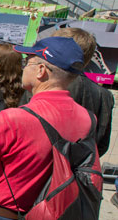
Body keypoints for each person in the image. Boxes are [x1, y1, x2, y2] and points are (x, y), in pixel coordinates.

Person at [0, 37, 94, 219]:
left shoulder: (14, 118)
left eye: (27, 61)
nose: (23, 67)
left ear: (40, 70)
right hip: (50, 212)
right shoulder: (87, 119)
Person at [21, 27, 114, 157]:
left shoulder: (43, 84)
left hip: (37, 164)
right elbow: (102, 144)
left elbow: (21, 129)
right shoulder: (104, 96)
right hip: (77, 169)